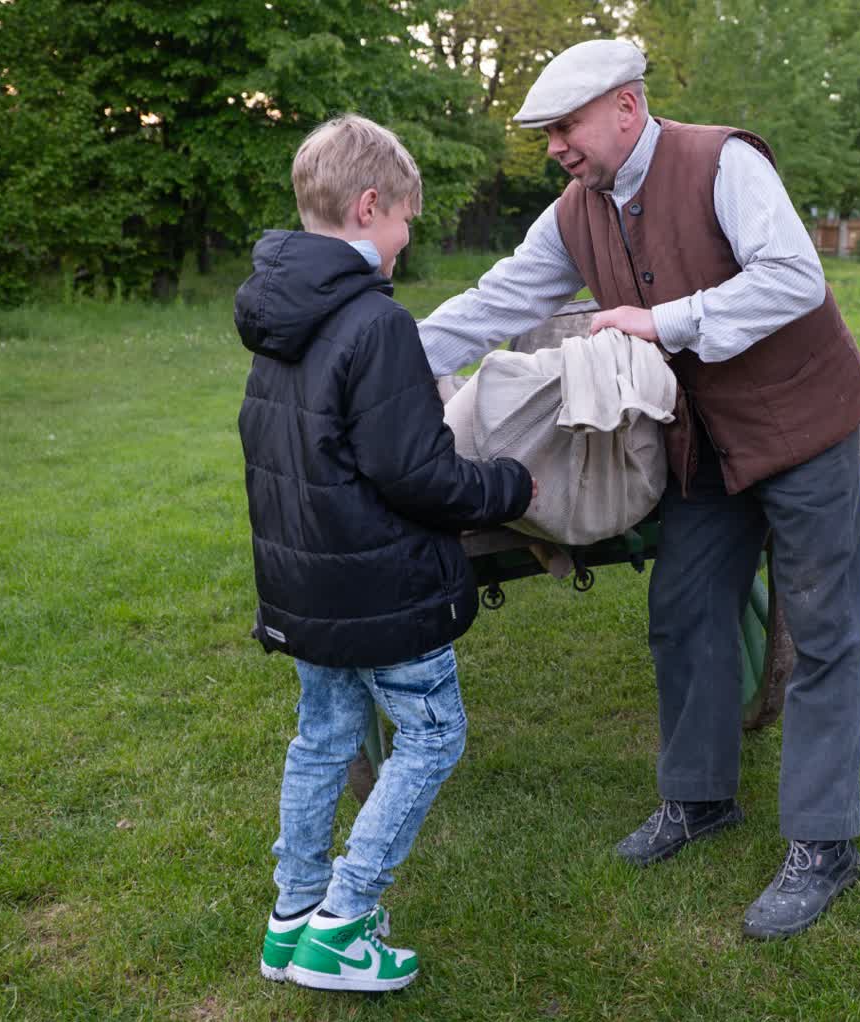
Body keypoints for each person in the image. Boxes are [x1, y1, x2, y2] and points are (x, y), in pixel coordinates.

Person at [417, 39, 860, 940]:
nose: (556, 147)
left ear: (627, 107)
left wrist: (664, 322)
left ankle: (824, 844)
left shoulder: (722, 162)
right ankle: (700, 800)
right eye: (548, 134)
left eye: (567, 127)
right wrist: (382, 355)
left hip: (803, 426)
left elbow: (794, 277)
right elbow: (499, 301)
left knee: (825, 632)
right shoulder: (574, 212)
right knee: (685, 612)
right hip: (703, 445)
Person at [235, 114, 534, 991]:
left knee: (322, 737)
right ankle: (345, 919)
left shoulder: (280, 318)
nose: (407, 237)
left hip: (305, 580)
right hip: (379, 581)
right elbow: (420, 475)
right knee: (434, 734)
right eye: (406, 217)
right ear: (370, 207)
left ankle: (292, 915)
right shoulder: (375, 322)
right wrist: (508, 486)